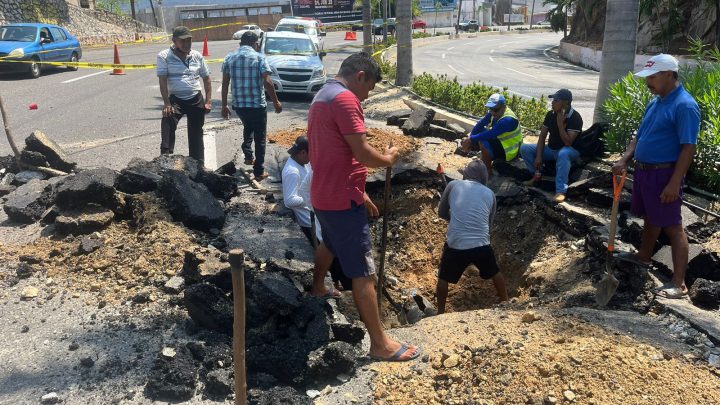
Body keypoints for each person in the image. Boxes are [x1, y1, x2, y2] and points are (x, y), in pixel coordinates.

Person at [308, 52, 420, 362]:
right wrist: (388, 159)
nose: (367, 95)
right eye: (369, 87)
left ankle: (318, 287)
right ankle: (380, 343)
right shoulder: (345, 100)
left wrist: (361, 192)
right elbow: (361, 152)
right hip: (341, 200)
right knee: (364, 272)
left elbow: (335, 153)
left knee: (329, 242)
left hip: (325, 194)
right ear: (360, 76)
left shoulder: (322, 95)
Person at [612, 54, 700, 299]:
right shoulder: (656, 102)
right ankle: (643, 256)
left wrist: (674, 182)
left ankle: (679, 283)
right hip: (645, 172)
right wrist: (624, 159)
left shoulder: (685, 105)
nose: (648, 81)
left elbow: (688, 147)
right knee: (651, 217)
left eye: (653, 76)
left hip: (664, 174)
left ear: (669, 75)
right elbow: (639, 136)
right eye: (647, 76)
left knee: (673, 226)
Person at [281, 136, 352, 294]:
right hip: (309, 221)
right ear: (303, 152)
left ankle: (338, 282)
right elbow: (289, 200)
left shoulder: (301, 164)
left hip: (316, 214)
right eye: (311, 154)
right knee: (331, 252)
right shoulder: (292, 171)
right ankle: (338, 284)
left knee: (332, 250)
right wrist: (313, 200)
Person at [436, 159, 508, 314]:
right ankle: (505, 301)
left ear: (466, 174)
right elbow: (487, 225)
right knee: (495, 271)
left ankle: (440, 312)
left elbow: (441, 212)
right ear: (484, 177)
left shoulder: (453, 185)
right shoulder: (490, 194)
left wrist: (453, 217)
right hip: (481, 244)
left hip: (456, 244)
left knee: (443, 276)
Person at [221, 31, 282, 181]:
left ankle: (248, 152)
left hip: (240, 106)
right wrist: (276, 101)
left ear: (241, 43)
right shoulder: (260, 58)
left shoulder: (229, 58)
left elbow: (225, 83)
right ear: (255, 44)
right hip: (257, 105)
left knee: (248, 127)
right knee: (260, 137)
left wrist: (224, 105)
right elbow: (267, 82)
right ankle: (258, 171)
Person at [157, 26, 212, 163]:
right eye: (183, 41)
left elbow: (207, 78)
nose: (187, 44)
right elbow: (162, 80)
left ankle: (198, 163)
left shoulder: (197, 56)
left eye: (189, 41)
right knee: (168, 118)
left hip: (195, 97)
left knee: (196, 132)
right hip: (176, 99)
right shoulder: (164, 56)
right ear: (174, 41)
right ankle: (165, 156)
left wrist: (208, 101)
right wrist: (167, 103)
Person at [520, 88, 584, 203]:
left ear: (566, 103)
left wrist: (560, 124)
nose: (552, 103)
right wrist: (539, 156)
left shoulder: (575, 117)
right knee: (525, 148)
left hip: (571, 150)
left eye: (556, 100)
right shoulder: (551, 114)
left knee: (564, 153)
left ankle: (561, 191)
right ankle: (536, 176)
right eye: (553, 100)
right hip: (551, 149)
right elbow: (542, 136)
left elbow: (568, 142)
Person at [460, 93, 523, 176]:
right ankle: (482, 163)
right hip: (502, 143)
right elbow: (481, 123)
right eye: (490, 109)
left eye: (495, 110)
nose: (492, 112)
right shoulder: (496, 112)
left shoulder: (508, 120)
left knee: (483, 140)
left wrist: (470, 139)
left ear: (504, 107)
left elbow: (490, 134)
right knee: (479, 133)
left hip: (510, 152)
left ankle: (487, 172)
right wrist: (470, 140)